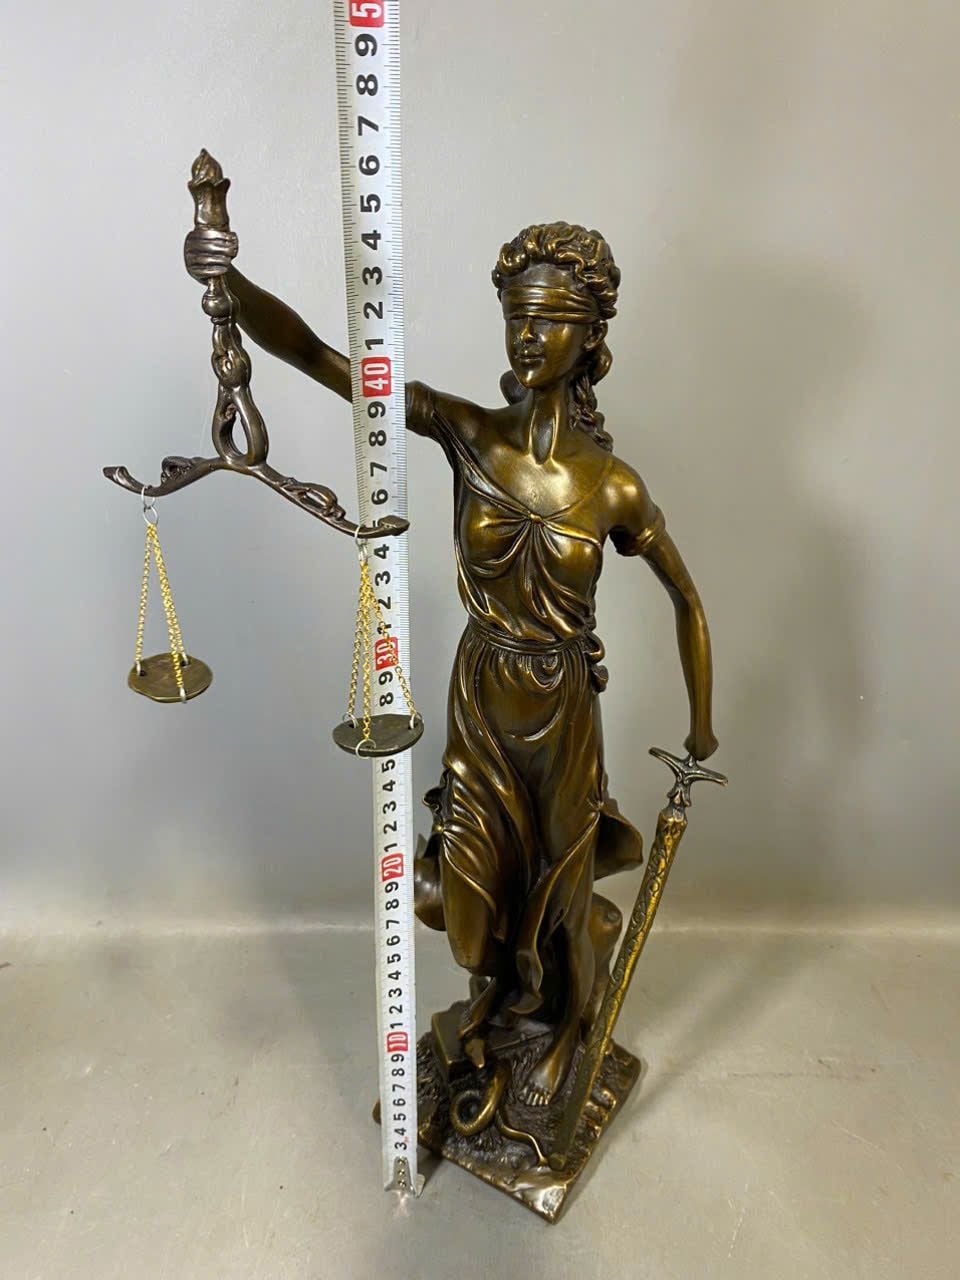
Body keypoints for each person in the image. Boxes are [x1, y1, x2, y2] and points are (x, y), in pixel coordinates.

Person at [185, 220, 717, 1107]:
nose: (528, 336)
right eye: (516, 316)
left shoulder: (614, 485)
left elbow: (687, 601)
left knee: (557, 892)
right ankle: (500, 1005)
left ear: (592, 333)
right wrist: (231, 289)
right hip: (481, 694)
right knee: (460, 905)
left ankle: (564, 1029)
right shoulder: (467, 431)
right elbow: (323, 360)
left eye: (551, 319)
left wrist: (702, 726)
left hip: (561, 712)